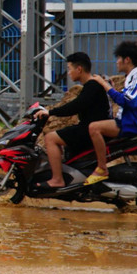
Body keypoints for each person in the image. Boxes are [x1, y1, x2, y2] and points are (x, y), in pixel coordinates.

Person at [34, 52, 109, 190]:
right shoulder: (91, 85)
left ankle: (57, 180)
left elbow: (75, 106)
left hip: (88, 130)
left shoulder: (92, 86)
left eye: (69, 69)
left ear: (79, 69)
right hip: (88, 127)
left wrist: (50, 112)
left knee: (50, 138)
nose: (68, 73)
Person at [86, 40, 137, 185]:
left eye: (118, 58)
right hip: (128, 120)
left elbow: (128, 101)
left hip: (133, 123)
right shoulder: (132, 77)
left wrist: (105, 85)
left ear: (127, 60)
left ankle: (102, 168)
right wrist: (110, 87)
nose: (116, 62)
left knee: (94, 128)